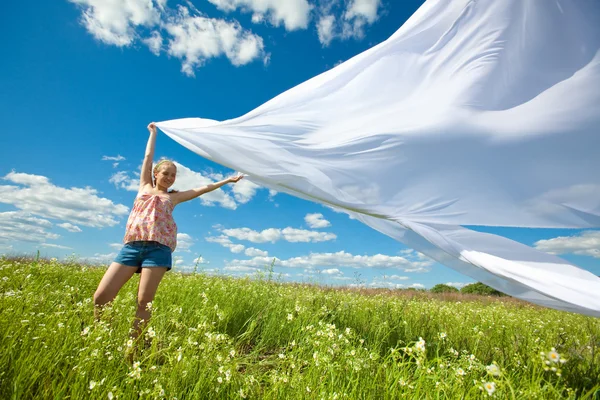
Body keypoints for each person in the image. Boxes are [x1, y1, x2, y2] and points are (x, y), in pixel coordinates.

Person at [93, 122, 243, 349]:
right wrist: (153, 134)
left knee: (144, 302)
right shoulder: (144, 186)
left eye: (173, 175)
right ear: (156, 173)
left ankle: (135, 347)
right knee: (101, 297)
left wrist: (228, 180)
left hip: (158, 250)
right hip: (132, 247)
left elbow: (203, 188)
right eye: (166, 173)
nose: (170, 177)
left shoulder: (174, 197)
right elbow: (147, 157)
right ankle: (102, 338)